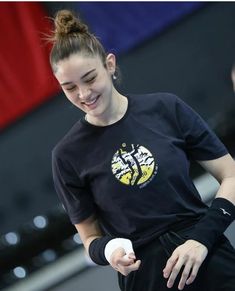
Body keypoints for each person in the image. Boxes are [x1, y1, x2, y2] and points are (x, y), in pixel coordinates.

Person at [50, 10, 235, 291]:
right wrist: (110, 249)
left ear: (109, 64)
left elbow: (231, 176)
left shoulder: (165, 109)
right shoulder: (67, 156)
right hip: (145, 278)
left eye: (89, 78)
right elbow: (89, 240)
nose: (84, 94)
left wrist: (201, 240)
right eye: (70, 88)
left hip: (208, 260)